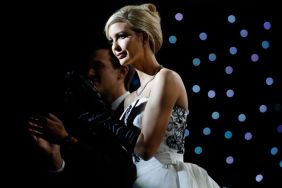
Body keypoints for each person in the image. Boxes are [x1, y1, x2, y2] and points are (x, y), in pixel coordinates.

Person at [102, 3, 221, 188]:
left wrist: (104, 121)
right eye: (111, 40)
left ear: (144, 37)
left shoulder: (166, 78)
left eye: (122, 36)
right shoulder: (129, 98)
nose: (115, 46)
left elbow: (146, 149)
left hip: (168, 177)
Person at [28, 45, 136, 187]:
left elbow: (124, 174)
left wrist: (67, 139)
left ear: (121, 72)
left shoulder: (144, 112)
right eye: (89, 67)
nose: (90, 73)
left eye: (98, 66)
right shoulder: (88, 120)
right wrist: (55, 159)